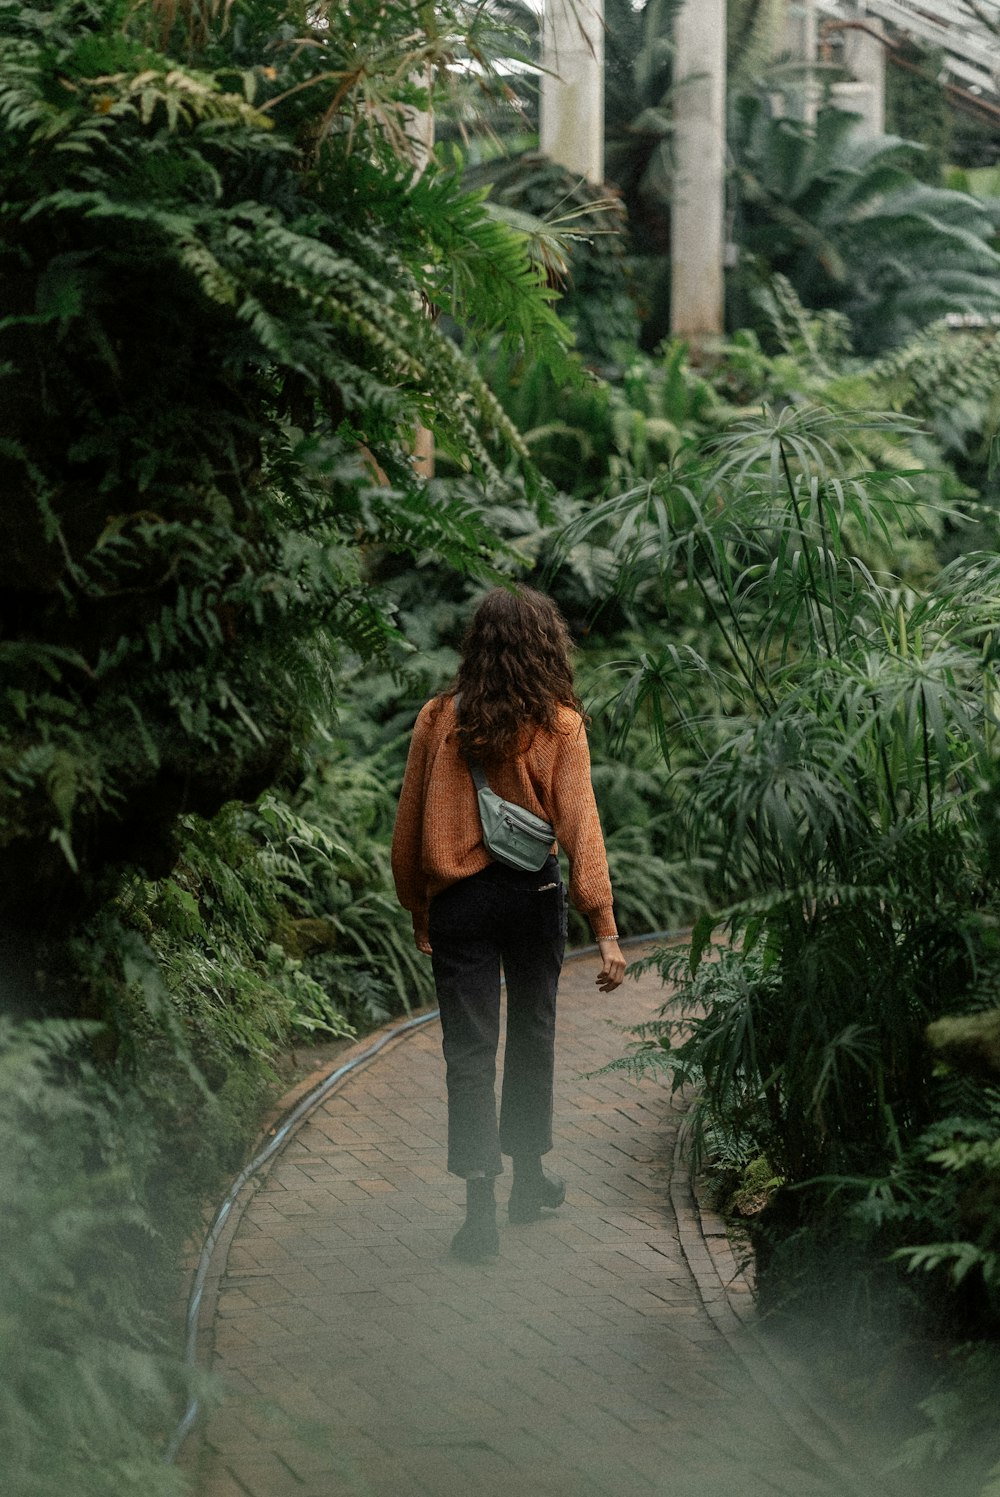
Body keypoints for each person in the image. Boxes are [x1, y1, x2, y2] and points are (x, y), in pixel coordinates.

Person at [391, 586, 625, 1263]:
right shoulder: (559, 722)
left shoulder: (439, 717)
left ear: (477, 643)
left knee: (468, 1050)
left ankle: (480, 1211)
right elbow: (582, 824)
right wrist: (603, 924)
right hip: (533, 893)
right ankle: (528, 1181)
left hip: (460, 901)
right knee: (532, 1033)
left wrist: (417, 902)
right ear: (546, 644)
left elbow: (408, 822)